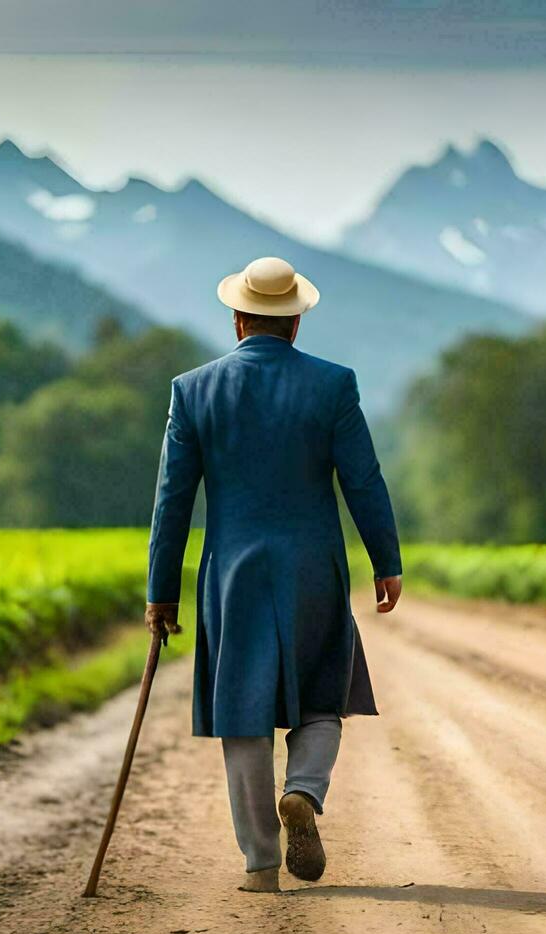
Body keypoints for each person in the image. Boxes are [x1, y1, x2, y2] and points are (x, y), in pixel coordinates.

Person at [144, 255, 403, 893]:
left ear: (237, 319)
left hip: (231, 575)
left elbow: (172, 500)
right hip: (313, 567)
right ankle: (305, 794)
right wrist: (386, 561)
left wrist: (161, 592)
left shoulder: (193, 390)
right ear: (294, 324)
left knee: (242, 713)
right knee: (323, 696)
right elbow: (363, 480)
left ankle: (261, 865)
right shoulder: (333, 385)